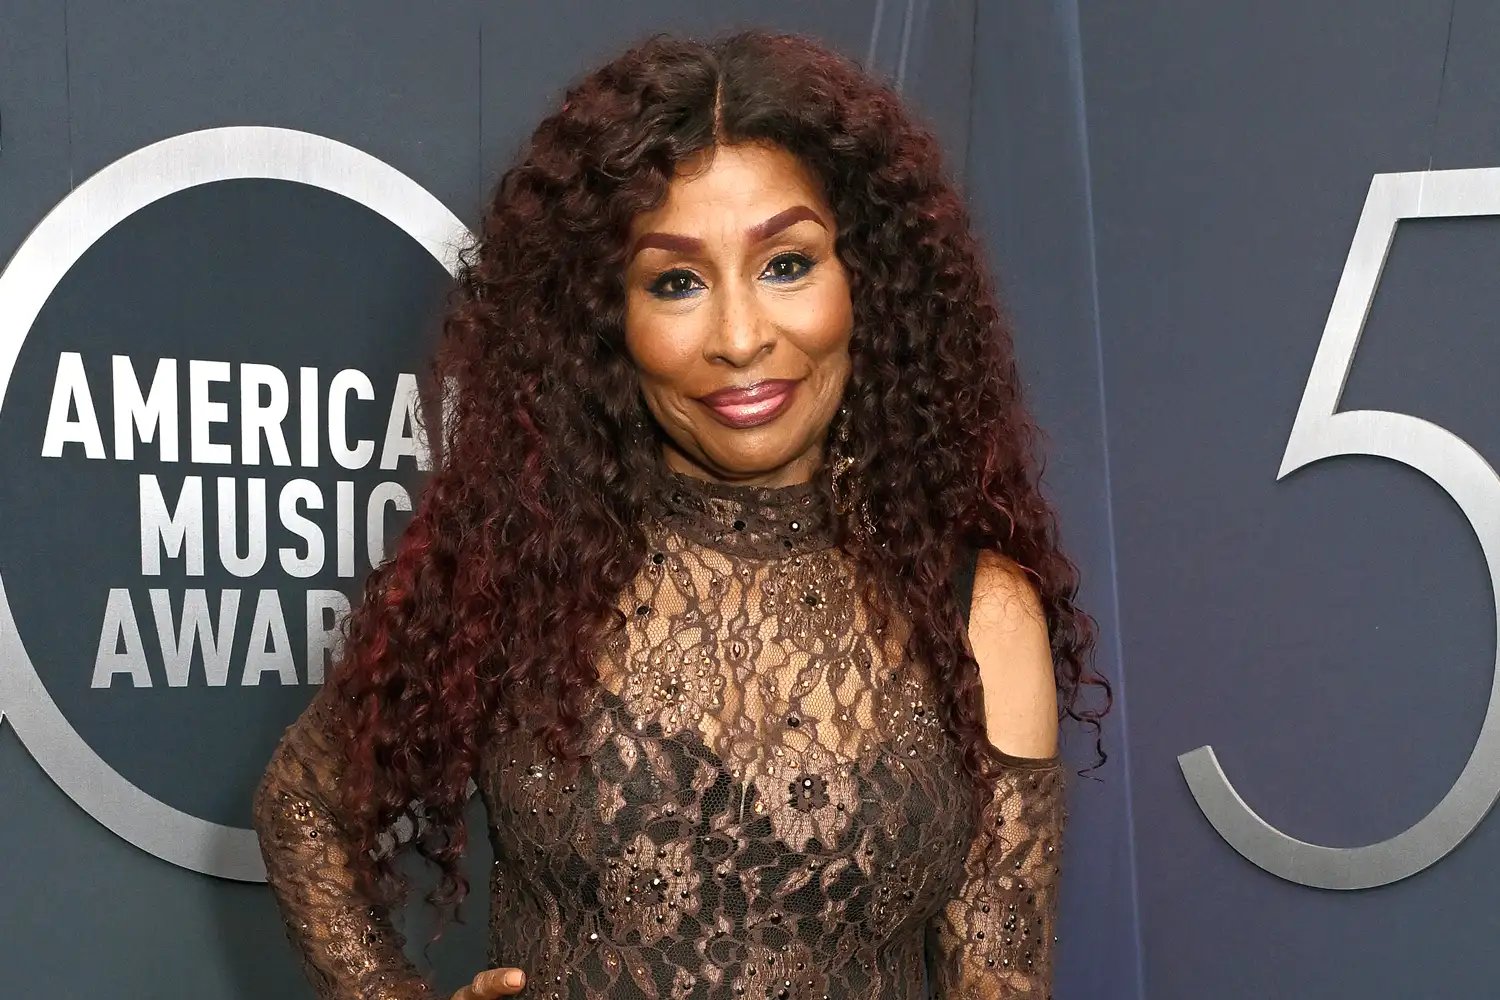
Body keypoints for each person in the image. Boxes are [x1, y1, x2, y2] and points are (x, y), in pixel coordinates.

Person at [251, 28, 1110, 1000]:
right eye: (676, 281)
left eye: (786, 264)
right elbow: (306, 806)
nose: (742, 337)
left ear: (867, 281)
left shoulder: (975, 607)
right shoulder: (523, 565)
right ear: (601, 319)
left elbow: (998, 975)